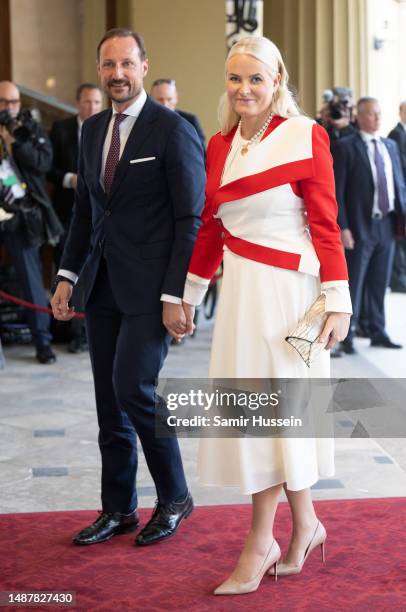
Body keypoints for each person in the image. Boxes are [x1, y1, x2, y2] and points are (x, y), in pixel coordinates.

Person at [181, 36, 352, 596]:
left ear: (277, 80)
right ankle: (305, 526)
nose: (245, 89)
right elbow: (211, 228)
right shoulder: (218, 144)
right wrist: (188, 294)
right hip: (241, 298)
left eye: (256, 78)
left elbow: (325, 223)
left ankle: (261, 542)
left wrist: (339, 300)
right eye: (235, 79)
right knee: (264, 414)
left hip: (292, 295)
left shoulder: (306, 135)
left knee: (275, 416)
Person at [51, 29, 205, 546]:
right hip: (102, 288)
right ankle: (118, 509)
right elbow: (87, 213)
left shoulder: (172, 129)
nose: (117, 73)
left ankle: (176, 496)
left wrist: (176, 295)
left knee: (132, 388)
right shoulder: (92, 130)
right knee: (107, 405)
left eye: (126, 64)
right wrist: (67, 276)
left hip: (152, 292)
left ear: (143, 65)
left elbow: (190, 218)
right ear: (101, 70)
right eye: (108, 65)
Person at [333, 97, 406, 354]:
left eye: (379, 113)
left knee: (379, 281)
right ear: (360, 116)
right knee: (355, 282)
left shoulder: (391, 145)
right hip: (359, 225)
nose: (377, 118)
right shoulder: (345, 147)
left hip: (386, 224)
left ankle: (377, 330)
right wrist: (343, 227)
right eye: (372, 114)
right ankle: (347, 334)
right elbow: (338, 191)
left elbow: (398, 183)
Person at [0, 80, 63, 364]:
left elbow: (43, 163)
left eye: (13, 102)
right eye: (3, 102)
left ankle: (42, 343)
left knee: (31, 282)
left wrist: (16, 143)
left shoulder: (29, 128)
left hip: (21, 217)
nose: (9, 107)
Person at [48, 83, 103, 352]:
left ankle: (83, 335)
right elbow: (49, 167)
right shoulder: (61, 129)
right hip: (66, 211)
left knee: (90, 272)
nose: (91, 107)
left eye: (96, 102)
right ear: (77, 103)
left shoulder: (108, 128)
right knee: (67, 269)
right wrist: (72, 180)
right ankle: (67, 331)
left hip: (98, 217)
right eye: (86, 102)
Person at [150, 78, 206, 150]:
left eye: (169, 99)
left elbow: (202, 152)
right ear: (151, 100)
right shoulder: (144, 122)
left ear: (176, 98)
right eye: (160, 99)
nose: (165, 104)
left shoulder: (190, 120)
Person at [387, 101, 406, 292]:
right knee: (399, 241)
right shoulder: (396, 134)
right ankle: (398, 280)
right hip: (401, 193)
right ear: (400, 113)